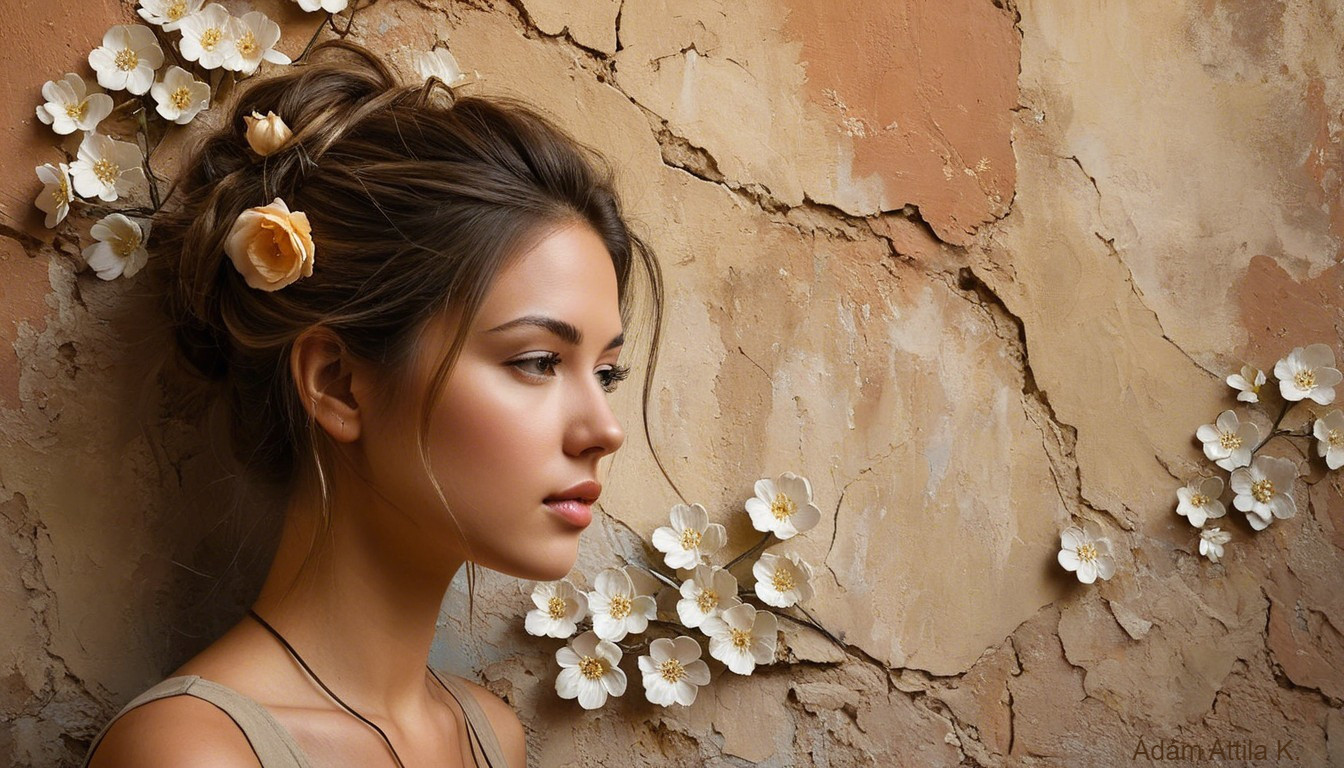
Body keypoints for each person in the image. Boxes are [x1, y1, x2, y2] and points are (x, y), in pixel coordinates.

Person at [83, 39, 664, 768]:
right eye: (539, 361)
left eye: (605, 373)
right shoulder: (195, 755)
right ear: (337, 383)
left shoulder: (488, 736)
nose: (603, 430)